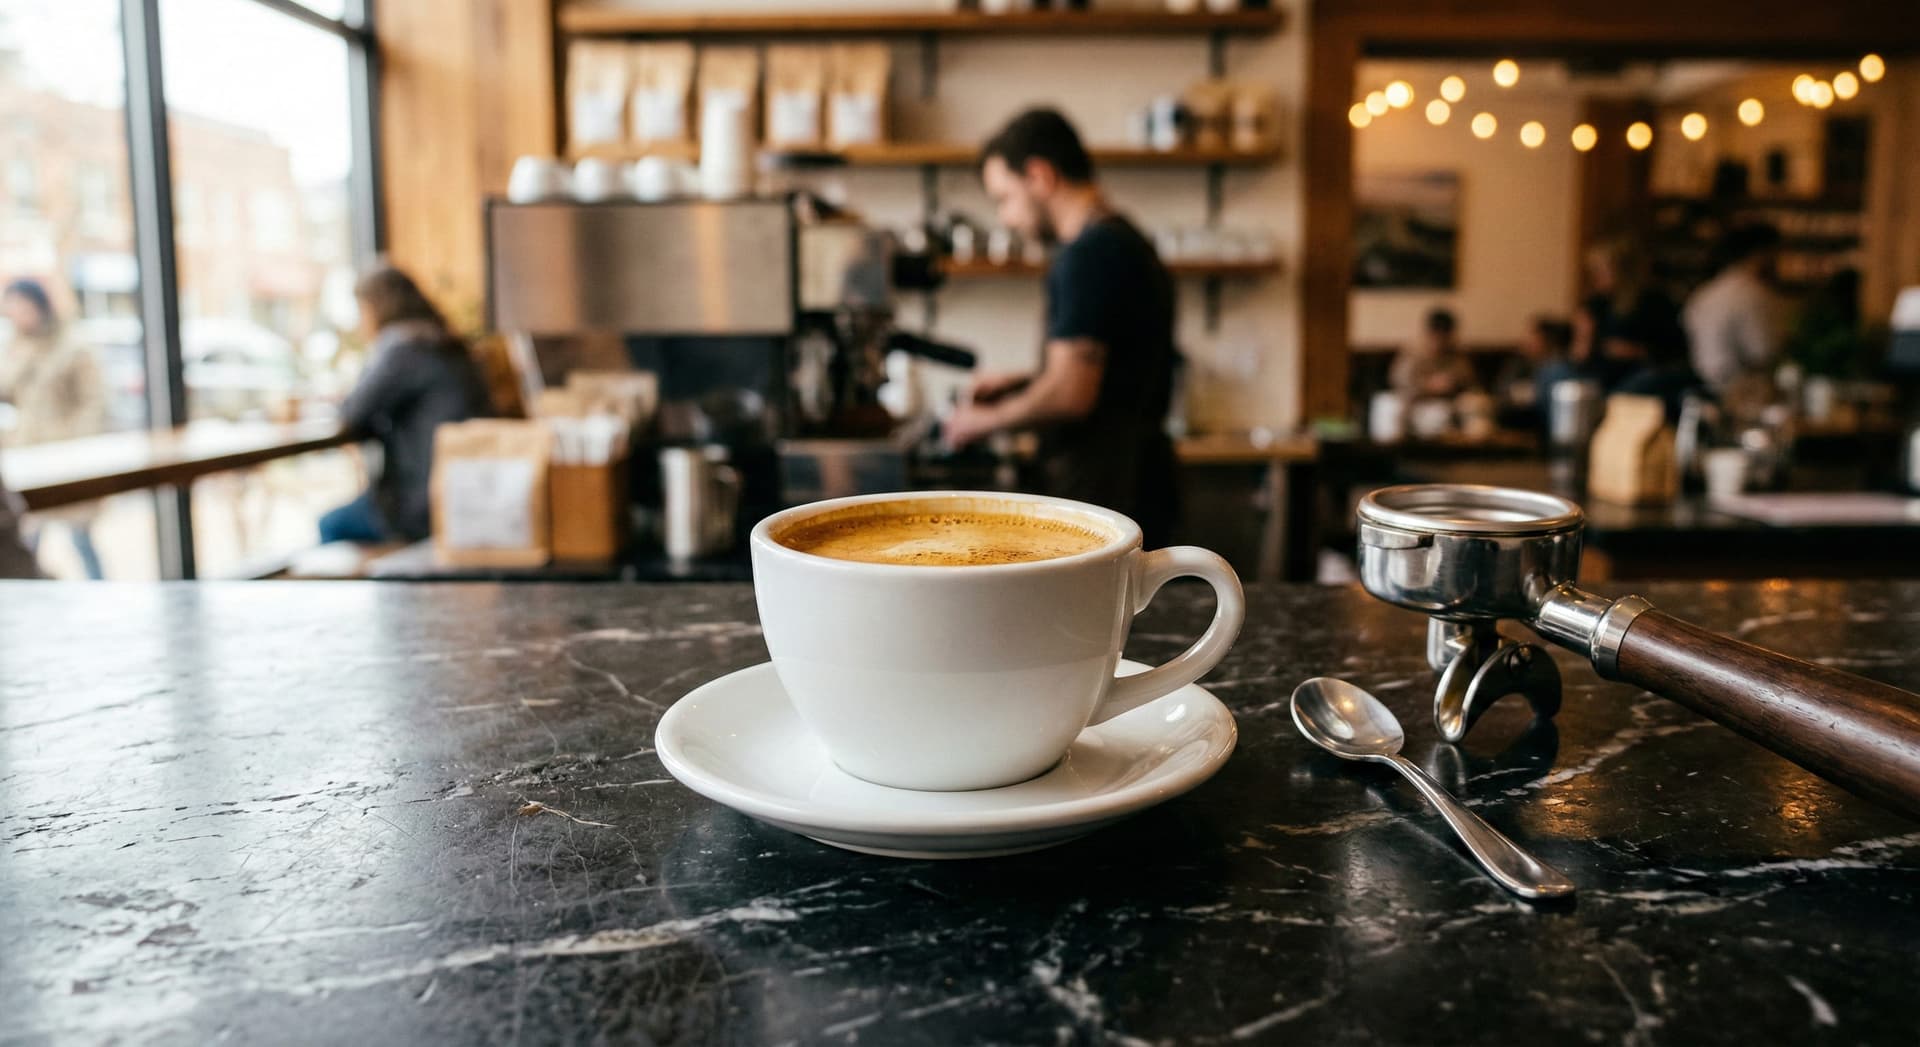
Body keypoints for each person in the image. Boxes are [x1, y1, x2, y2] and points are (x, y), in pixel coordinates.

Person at [942, 109, 1179, 546]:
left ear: (1040, 175)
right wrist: (1023, 382)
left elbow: (1072, 393)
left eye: (1004, 198)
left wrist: (984, 421)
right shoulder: (1123, 240)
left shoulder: (1089, 254)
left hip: (1108, 491)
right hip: (1137, 479)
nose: (1006, 218)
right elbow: (1112, 373)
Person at [319, 265, 492, 544]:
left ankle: (375, 572)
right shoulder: (442, 341)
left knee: (330, 524)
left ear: (376, 309)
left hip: (421, 503)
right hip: (469, 492)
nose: (360, 323)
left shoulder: (403, 347)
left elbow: (353, 411)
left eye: (362, 311)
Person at [0, 278, 107, 578]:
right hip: (31, 455)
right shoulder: (17, 348)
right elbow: (6, 390)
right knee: (28, 537)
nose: (19, 317)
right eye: (12, 311)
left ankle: (100, 591)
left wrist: (77, 444)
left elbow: (94, 402)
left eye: (23, 309)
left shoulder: (72, 346)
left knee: (81, 539)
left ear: (40, 306)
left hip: (67, 456)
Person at [1684, 223, 1785, 394]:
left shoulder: (1706, 291)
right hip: (1737, 392)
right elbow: (1763, 352)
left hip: (1703, 386)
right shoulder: (1751, 292)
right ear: (1761, 253)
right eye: (1776, 253)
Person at [1389, 307, 1478, 399]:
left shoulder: (1457, 355)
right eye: (1436, 336)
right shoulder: (1412, 352)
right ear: (1427, 333)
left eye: (1444, 337)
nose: (1439, 342)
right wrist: (1427, 384)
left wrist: (1452, 382)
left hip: (1447, 401)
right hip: (1415, 400)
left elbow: (1469, 382)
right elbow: (1399, 380)